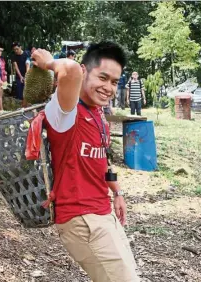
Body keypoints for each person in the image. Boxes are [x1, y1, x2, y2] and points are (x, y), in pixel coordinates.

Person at [32, 42, 139, 282]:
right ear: (84, 71)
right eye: (102, 77)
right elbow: (68, 70)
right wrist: (49, 63)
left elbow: (102, 158)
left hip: (103, 213)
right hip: (81, 220)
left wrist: (117, 192)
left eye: (114, 82)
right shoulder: (65, 113)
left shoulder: (98, 112)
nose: (109, 88)